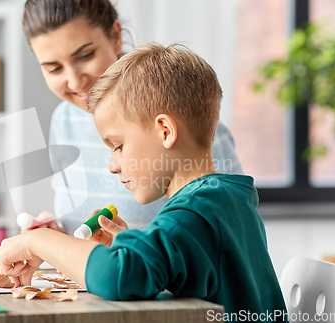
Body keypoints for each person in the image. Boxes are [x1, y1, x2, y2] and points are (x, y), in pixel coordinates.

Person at [0, 43, 287, 323]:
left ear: (165, 131)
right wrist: (132, 246)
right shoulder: (225, 199)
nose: (113, 166)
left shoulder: (194, 214)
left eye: (118, 146)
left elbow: (119, 276)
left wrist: (38, 241)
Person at [22, 0, 243, 234]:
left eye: (86, 55)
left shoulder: (183, 117)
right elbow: (83, 236)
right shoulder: (63, 121)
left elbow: (233, 233)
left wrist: (130, 255)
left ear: (115, 36)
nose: (75, 81)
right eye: (54, 69)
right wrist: (57, 237)